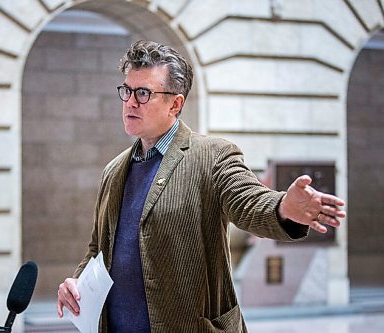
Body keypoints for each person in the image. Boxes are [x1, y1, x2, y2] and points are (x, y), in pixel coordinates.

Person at [56, 40, 346, 333]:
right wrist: (77, 283)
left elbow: (248, 202)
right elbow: (98, 250)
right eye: (127, 91)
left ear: (175, 103)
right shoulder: (113, 171)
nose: (130, 102)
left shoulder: (213, 155)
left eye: (143, 93)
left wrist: (283, 207)